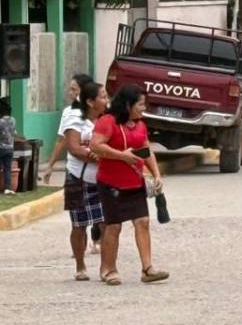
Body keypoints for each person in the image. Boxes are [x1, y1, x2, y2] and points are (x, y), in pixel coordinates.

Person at [90, 85, 168, 285]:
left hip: (135, 182)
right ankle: (109, 269)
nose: (143, 108)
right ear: (127, 105)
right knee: (113, 226)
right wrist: (122, 156)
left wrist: (156, 174)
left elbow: (146, 150)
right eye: (140, 104)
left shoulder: (140, 125)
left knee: (143, 222)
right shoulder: (108, 122)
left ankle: (148, 269)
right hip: (111, 184)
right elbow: (95, 145)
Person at [61, 82, 108, 281]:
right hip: (78, 178)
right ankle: (80, 266)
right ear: (90, 102)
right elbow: (73, 148)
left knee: (107, 224)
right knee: (79, 225)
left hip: (103, 179)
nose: (106, 100)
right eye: (103, 97)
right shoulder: (75, 118)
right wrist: (95, 156)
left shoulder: (107, 119)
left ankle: (107, 266)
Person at [40, 73, 92, 185]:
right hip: (75, 171)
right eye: (70, 89)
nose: (70, 93)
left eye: (74, 90)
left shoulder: (99, 111)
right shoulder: (69, 112)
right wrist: (50, 166)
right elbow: (61, 141)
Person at [0, 97, 16, 195]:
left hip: (1, 148)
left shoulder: (0, 122)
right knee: (8, 169)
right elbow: (14, 133)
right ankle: (8, 188)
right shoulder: (13, 120)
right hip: (10, 148)